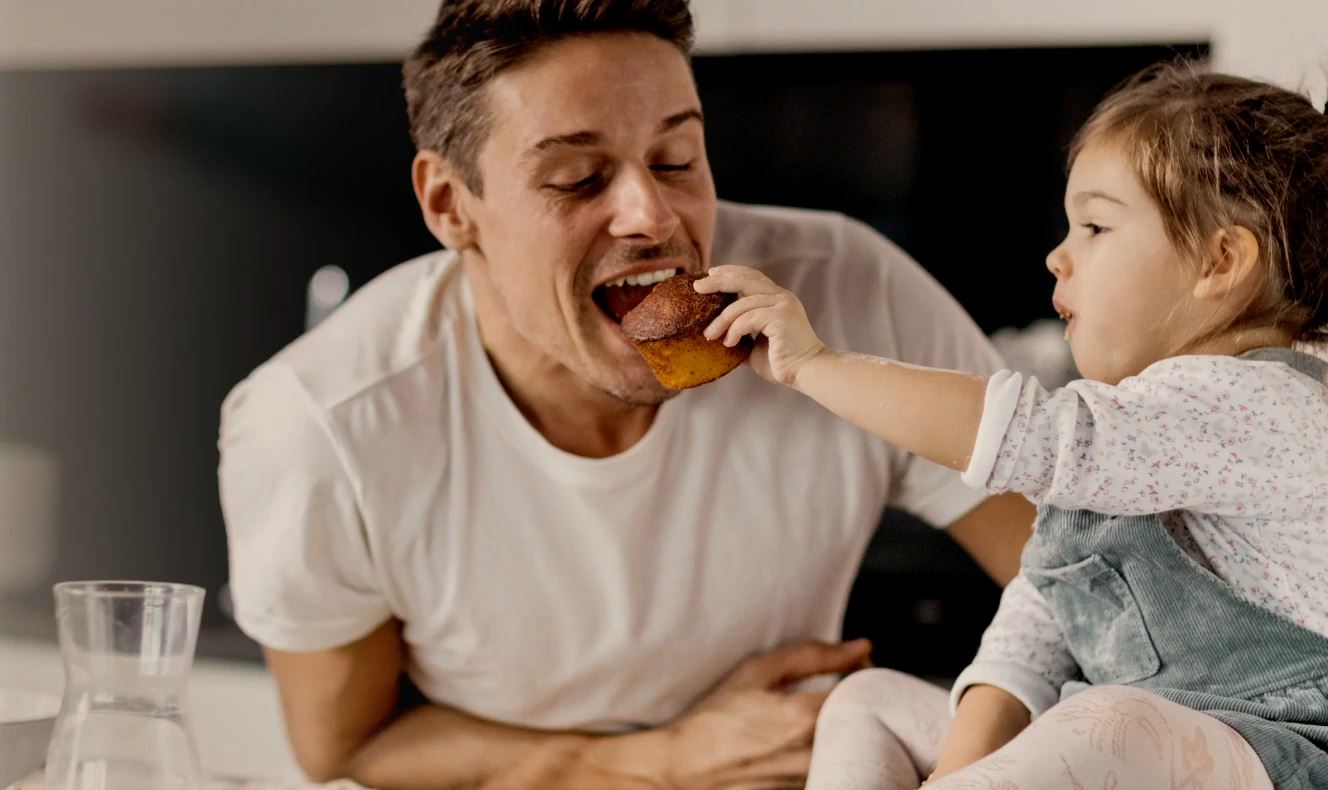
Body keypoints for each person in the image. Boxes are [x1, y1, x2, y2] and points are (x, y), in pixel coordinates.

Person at [216, 1, 1035, 788]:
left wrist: (966, 755)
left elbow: (1086, 568)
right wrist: (662, 763)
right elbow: (345, 744)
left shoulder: (847, 298)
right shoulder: (323, 422)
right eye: (576, 178)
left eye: (677, 159)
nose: (651, 213)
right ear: (449, 204)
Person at [699, 58, 1328, 789]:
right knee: (864, 705)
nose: (1056, 258)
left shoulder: (1263, 407)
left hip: (1323, 760)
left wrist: (815, 366)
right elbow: (1029, 637)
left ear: (1219, 261)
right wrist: (959, 771)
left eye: (1095, 228)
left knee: (1110, 722)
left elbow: (1028, 437)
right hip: (1159, 752)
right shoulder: (1131, 445)